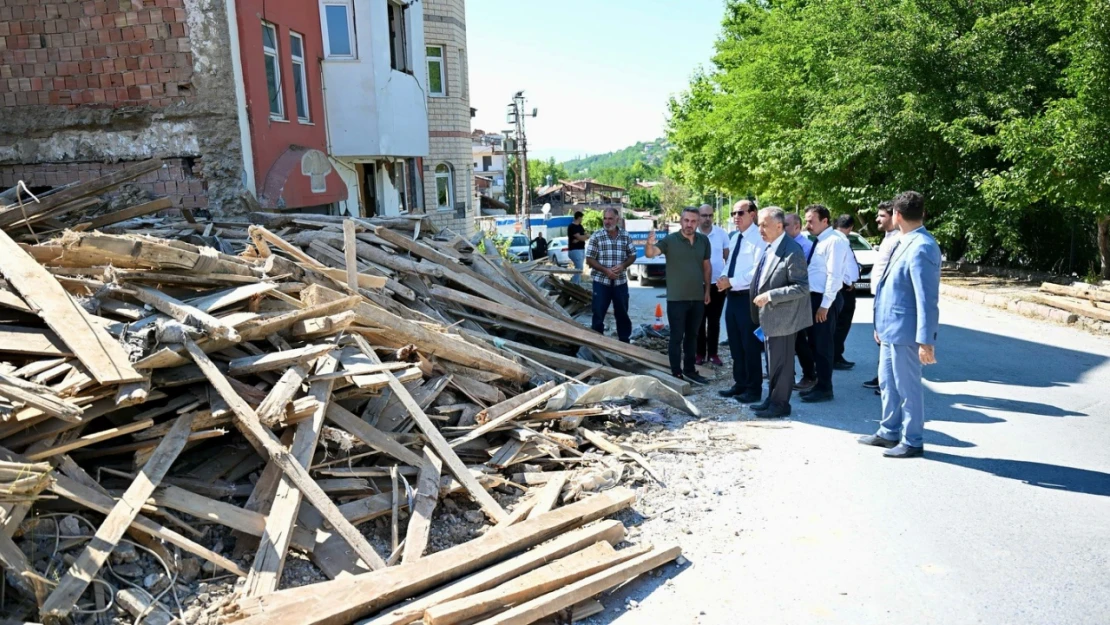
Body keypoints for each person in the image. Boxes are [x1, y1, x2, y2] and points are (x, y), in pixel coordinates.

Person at [858, 191, 940, 458]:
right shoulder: (902, 240)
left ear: (897, 215)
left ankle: (913, 440)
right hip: (890, 328)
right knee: (888, 383)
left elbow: (926, 299)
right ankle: (889, 431)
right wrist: (879, 325)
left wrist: (926, 341)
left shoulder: (922, 246)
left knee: (908, 388)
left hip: (906, 332)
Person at [748, 207, 811, 418]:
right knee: (773, 362)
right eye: (759, 225)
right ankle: (772, 399)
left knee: (782, 364)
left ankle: (780, 404)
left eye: (764, 225)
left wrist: (771, 295)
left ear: (778, 225)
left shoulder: (792, 250)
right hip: (769, 318)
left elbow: (801, 287)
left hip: (783, 318)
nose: (760, 230)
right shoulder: (770, 246)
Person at [645, 207, 712, 384]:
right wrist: (649, 244)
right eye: (686, 220)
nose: (689, 224)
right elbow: (651, 254)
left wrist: (707, 291)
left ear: (698, 222)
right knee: (677, 337)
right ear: (681, 221)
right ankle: (676, 373)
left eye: (693, 221)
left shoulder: (703, 241)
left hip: (697, 298)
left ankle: (690, 370)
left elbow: (706, 267)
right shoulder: (670, 240)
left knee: (693, 336)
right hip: (676, 299)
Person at [797, 204, 850, 403]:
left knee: (823, 345)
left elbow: (834, 276)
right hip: (814, 298)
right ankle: (819, 384)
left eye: (811, 221)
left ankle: (825, 388)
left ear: (825, 221)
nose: (808, 225)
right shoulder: (821, 240)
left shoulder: (835, 241)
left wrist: (825, 305)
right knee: (815, 343)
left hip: (825, 299)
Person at [716, 200, 764, 403]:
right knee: (735, 344)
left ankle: (754, 389)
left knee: (750, 346)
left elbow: (757, 271)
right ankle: (740, 383)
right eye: (733, 213)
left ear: (753, 214)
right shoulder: (735, 237)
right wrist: (723, 278)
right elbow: (730, 264)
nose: (736, 216)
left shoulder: (759, 238)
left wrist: (732, 281)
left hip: (747, 298)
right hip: (732, 297)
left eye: (740, 212)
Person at [863, 201, 900, 391]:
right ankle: (882, 377)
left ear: (894, 216)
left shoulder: (899, 239)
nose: (877, 219)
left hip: (888, 298)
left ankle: (889, 383)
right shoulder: (888, 237)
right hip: (879, 296)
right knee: (881, 339)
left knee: (887, 339)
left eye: (882, 216)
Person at [585, 208, 637, 343]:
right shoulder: (596, 236)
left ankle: (624, 342)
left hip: (620, 283)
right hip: (601, 282)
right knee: (598, 313)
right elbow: (589, 259)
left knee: (622, 313)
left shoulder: (625, 236)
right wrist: (605, 270)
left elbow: (632, 255)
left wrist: (623, 266)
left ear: (617, 220)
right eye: (605, 218)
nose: (607, 222)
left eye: (610, 219)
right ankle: (598, 343)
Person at [695, 204, 731, 366]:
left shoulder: (721, 234)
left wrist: (727, 279)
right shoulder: (692, 234)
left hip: (717, 284)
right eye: (704, 215)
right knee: (699, 320)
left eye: (710, 215)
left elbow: (728, 259)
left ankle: (713, 354)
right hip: (697, 284)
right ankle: (700, 353)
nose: (707, 219)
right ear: (698, 216)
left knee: (714, 320)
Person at [832, 214, 861, 370]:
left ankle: (835, 354)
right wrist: (849, 282)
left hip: (839, 286)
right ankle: (835, 356)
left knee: (837, 324)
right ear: (850, 227)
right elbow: (846, 265)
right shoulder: (842, 240)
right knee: (842, 324)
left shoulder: (832, 237)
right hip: (844, 288)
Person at [567, 211, 588, 285]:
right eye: (581, 217)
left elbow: (587, 235)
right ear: (579, 217)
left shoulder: (580, 226)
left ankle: (577, 283)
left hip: (581, 249)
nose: (582, 219)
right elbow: (581, 237)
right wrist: (581, 238)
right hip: (575, 250)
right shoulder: (572, 226)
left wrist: (580, 238)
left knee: (579, 268)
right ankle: (574, 284)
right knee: (579, 269)